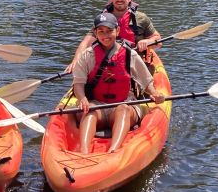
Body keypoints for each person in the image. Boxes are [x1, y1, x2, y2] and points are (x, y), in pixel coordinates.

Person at [71, 12, 166, 154]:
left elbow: (146, 82)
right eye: (101, 32)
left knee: (123, 109)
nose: (105, 35)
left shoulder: (130, 54)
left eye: (109, 31)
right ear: (96, 33)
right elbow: (78, 83)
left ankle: (114, 151)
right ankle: (83, 152)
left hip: (124, 104)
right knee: (89, 109)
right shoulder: (88, 55)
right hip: (98, 104)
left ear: (118, 31)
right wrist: (82, 99)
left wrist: (155, 94)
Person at [66, 0, 161, 71]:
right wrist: (75, 62)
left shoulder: (141, 18)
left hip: (135, 65)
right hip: (108, 65)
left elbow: (158, 41)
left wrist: (147, 41)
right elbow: (86, 43)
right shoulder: (103, 19)